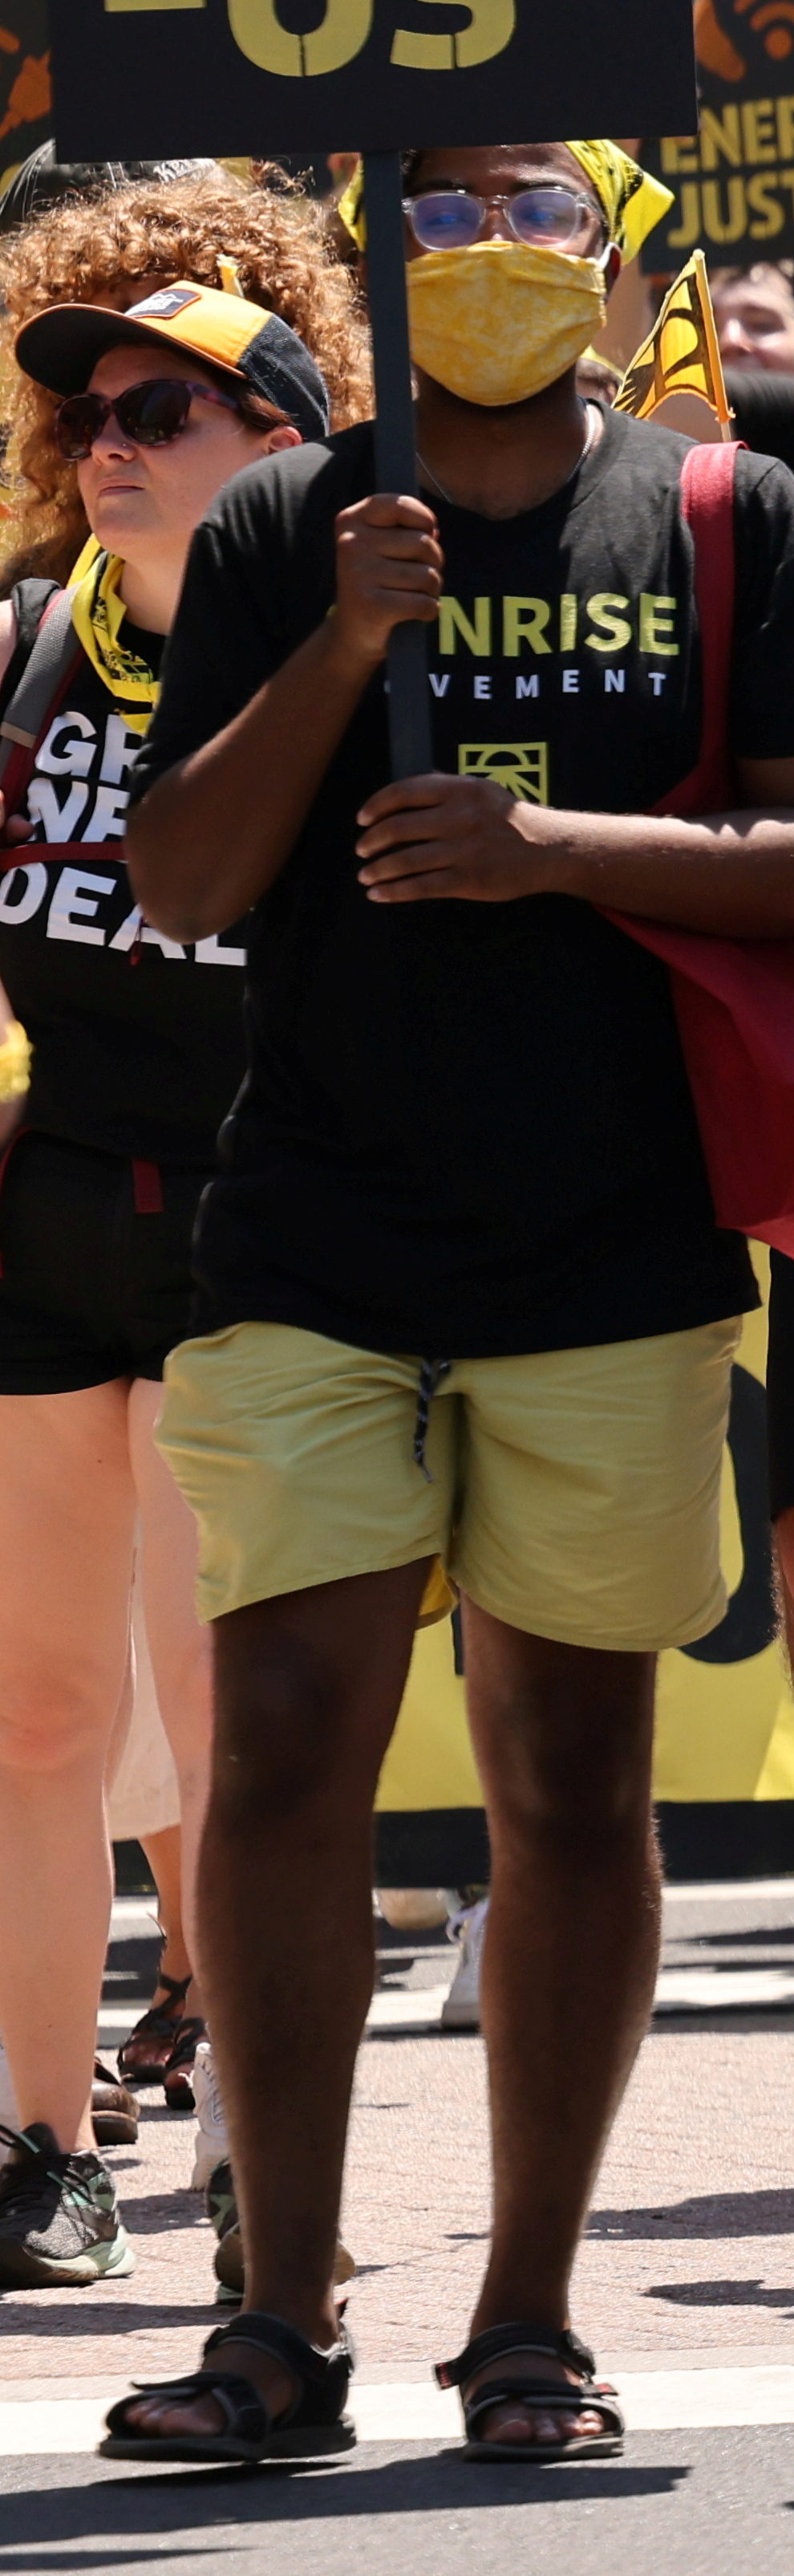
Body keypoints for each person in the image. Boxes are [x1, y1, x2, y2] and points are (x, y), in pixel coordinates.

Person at [100, 142, 794, 2468]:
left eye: (538, 205)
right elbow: (180, 878)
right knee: (283, 1768)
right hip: (318, 1245)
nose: (485, 253)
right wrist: (349, 636)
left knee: (569, 1780)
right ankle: (278, 2313)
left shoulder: (732, 512)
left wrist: (550, 850)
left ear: (628, 258)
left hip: (616, 1250)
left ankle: (527, 2313)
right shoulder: (285, 529)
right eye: (435, 211)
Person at [0, 194, 354, 2286]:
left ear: (281, 442)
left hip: (266, 1228)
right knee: (41, 1712)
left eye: (164, 406)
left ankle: (251, 2131)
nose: (108, 439)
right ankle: (44, 2142)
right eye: (87, 411)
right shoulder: (26, 643)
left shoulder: (334, 657)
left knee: (236, 1731)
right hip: (55, 1221)